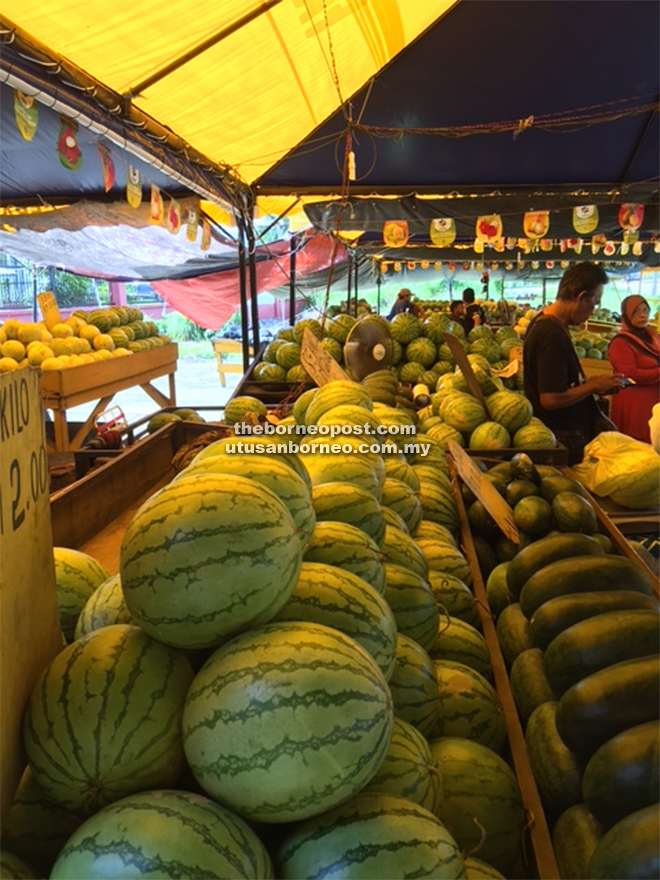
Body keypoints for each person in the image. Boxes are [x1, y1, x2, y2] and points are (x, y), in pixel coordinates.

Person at [523, 262, 626, 465]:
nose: (593, 312)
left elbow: (557, 382)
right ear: (580, 297)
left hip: (555, 431)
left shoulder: (543, 321)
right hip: (562, 435)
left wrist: (594, 383)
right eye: (594, 303)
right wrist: (593, 386)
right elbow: (550, 399)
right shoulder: (551, 334)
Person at [607, 295, 660, 444]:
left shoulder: (653, 337)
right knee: (636, 446)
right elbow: (630, 374)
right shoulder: (620, 343)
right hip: (634, 406)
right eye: (636, 312)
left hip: (654, 403)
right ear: (627, 315)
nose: (643, 315)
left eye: (645, 310)